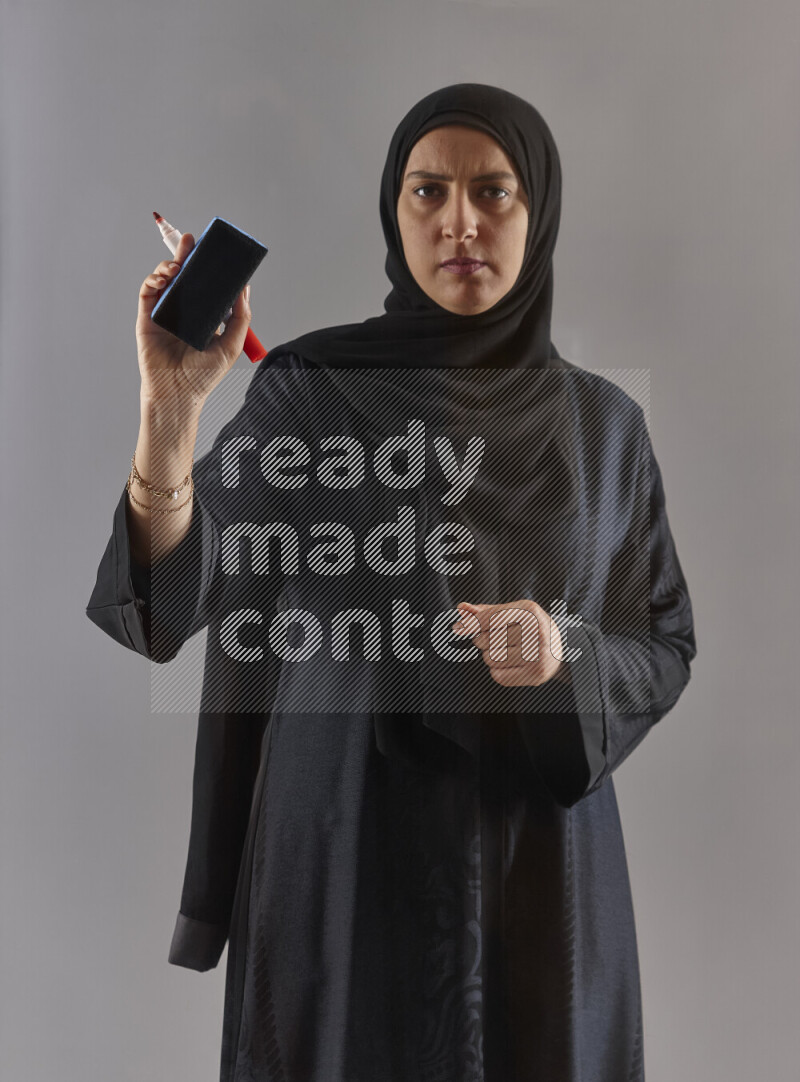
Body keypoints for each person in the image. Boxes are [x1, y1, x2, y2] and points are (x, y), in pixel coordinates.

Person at [87, 83, 696, 1082]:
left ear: (535, 210)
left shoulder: (604, 428)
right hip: (341, 856)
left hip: (539, 880)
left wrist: (560, 647)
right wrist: (170, 412)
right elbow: (171, 594)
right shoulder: (310, 394)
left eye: (491, 190)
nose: (458, 220)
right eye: (427, 192)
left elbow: (661, 643)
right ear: (394, 210)